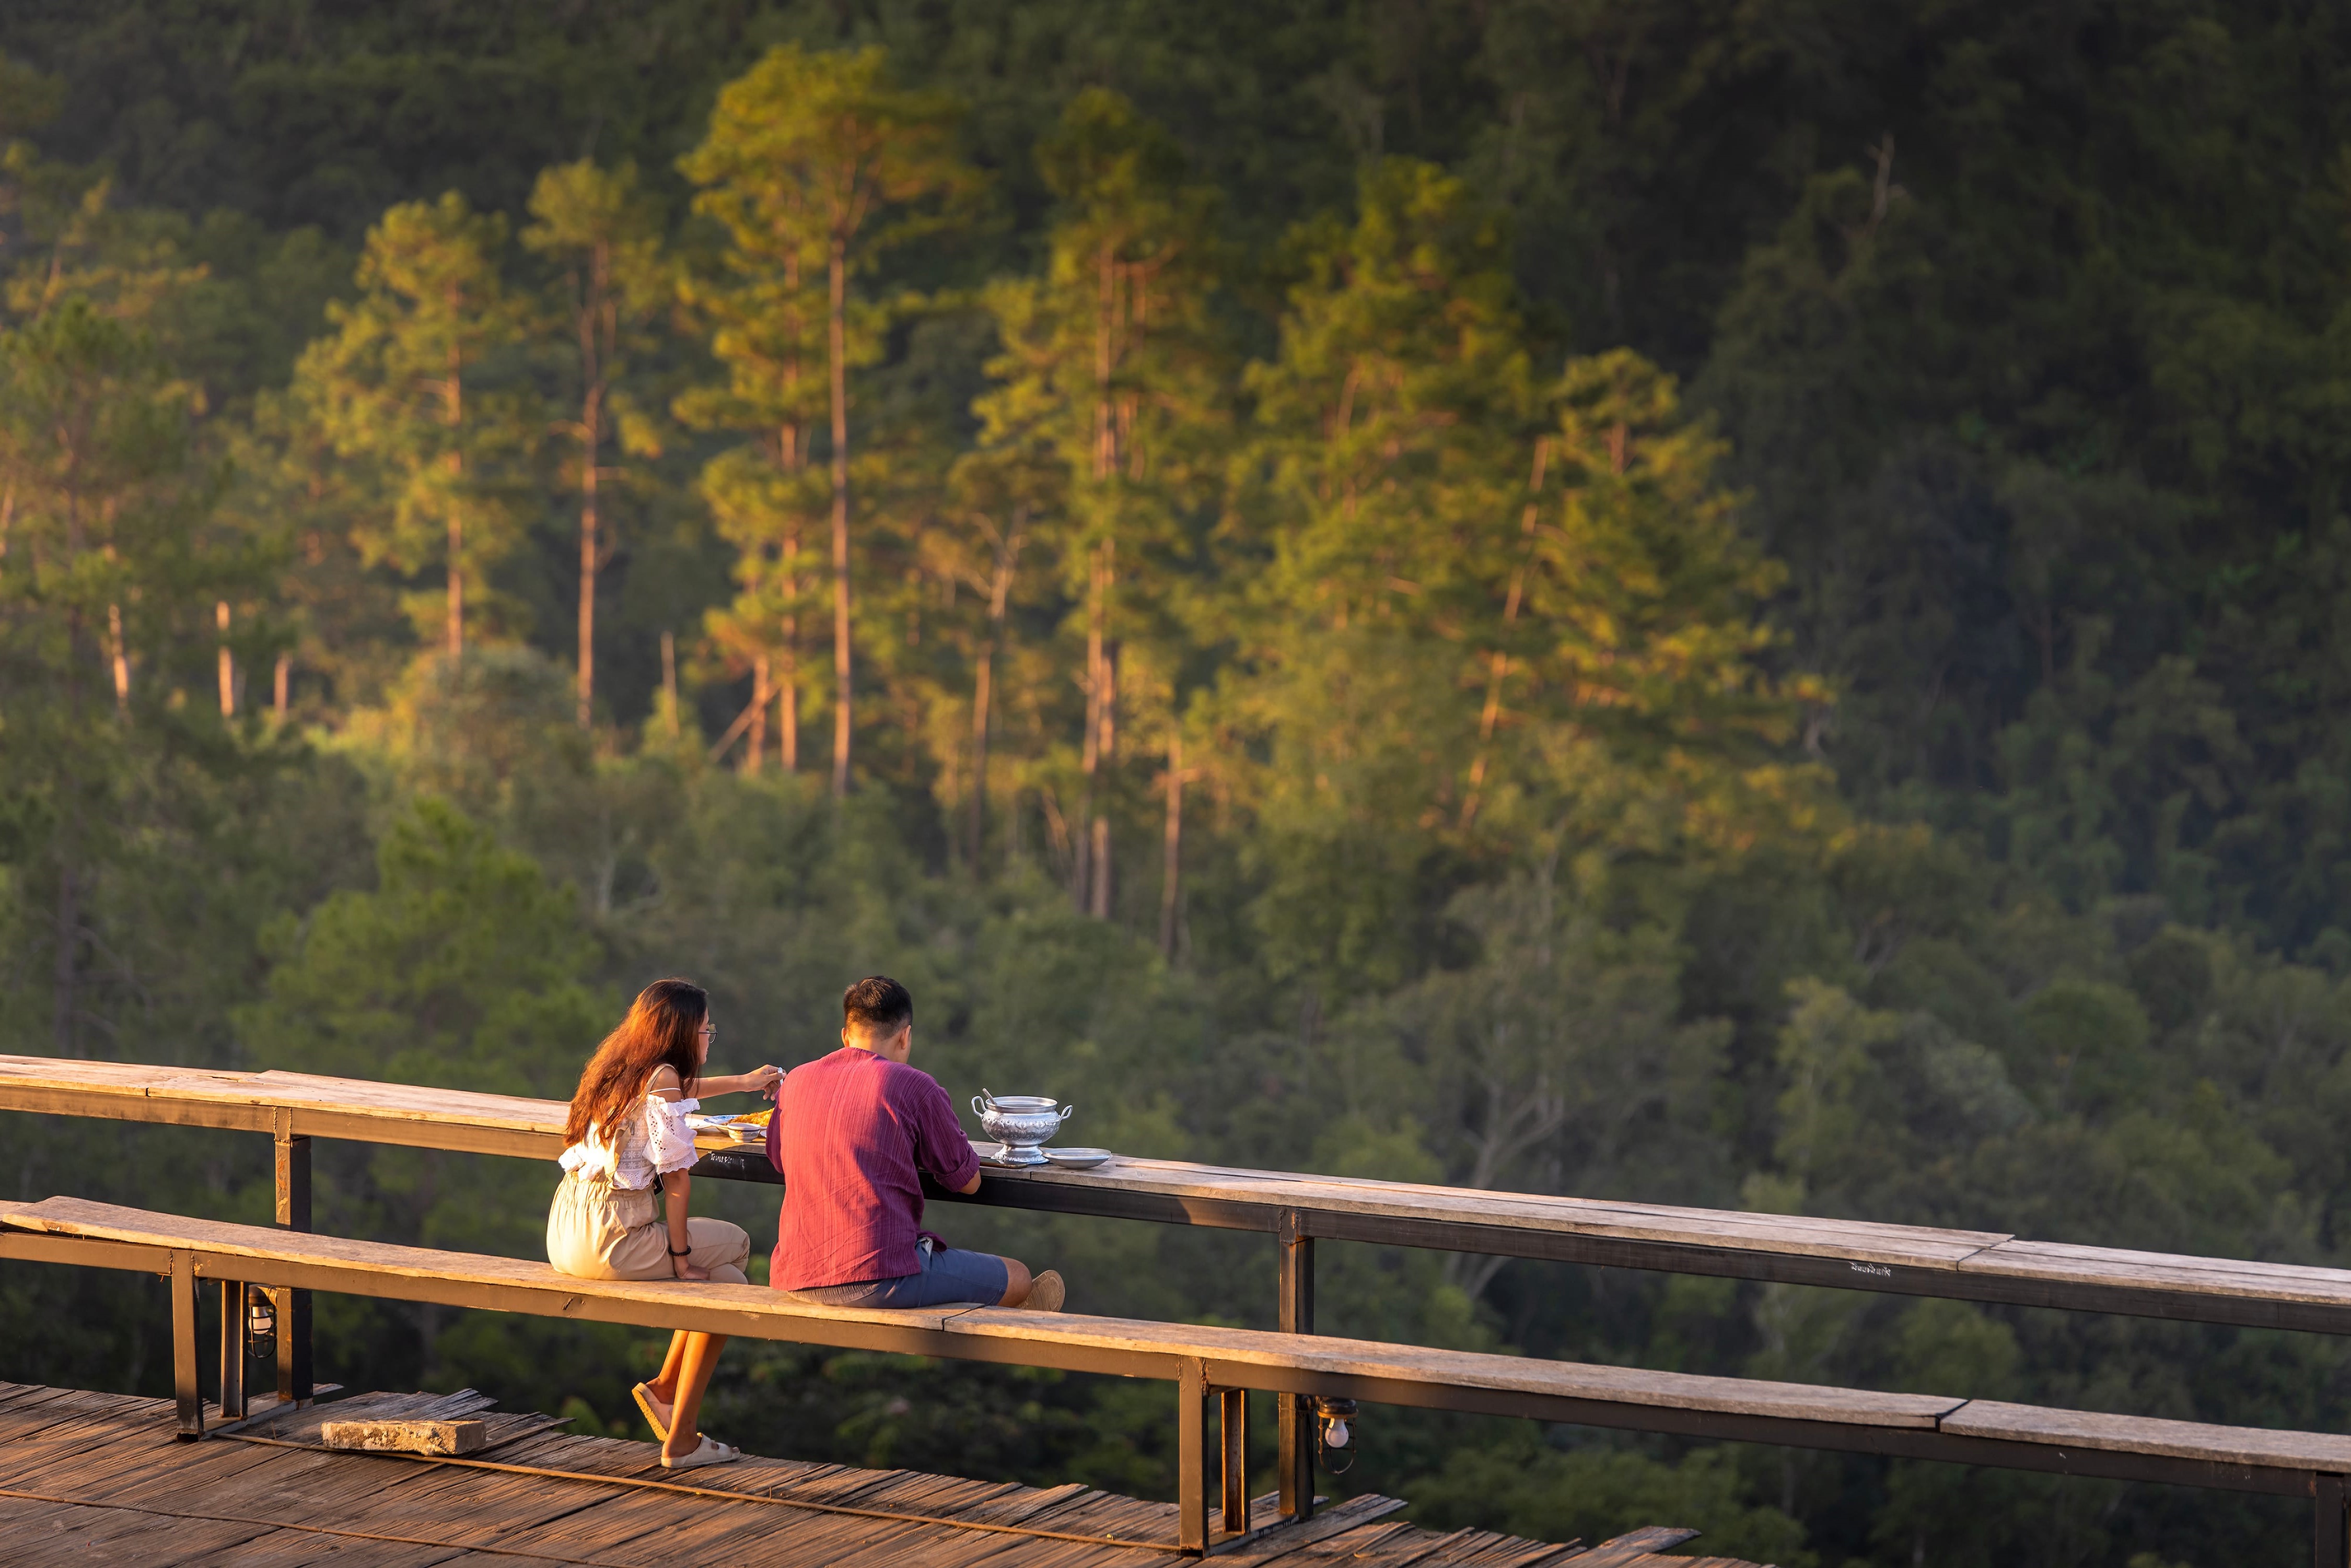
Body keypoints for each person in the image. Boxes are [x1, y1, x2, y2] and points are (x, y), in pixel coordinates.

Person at [548, 977, 782, 1470]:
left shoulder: (619, 1069)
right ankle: (669, 1395)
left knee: (728, 1282)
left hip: (566, 1228)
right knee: (736, 1245)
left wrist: (742, 1082)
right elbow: (678, 1184)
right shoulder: (664, 1080)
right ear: (681, 1032)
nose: (707, 1037)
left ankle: (680, 1427)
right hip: (613, 1238)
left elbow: (680, 1093)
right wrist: (680, 1260)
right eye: (705, 1029)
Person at [767, 975, 1063, 1312]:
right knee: (1020, 1277)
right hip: (876, 1276)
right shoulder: (914, 1086)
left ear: (846, 1036)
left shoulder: (797, 1081)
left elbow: (779, 1159)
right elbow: (968, 1183)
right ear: (905, 1037)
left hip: (796, 1274)